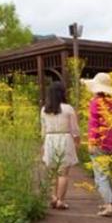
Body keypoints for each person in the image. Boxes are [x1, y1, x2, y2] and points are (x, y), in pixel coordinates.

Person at [82, 73, 112, 217]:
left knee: (101, 175)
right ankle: (108, 201)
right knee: (108, 174)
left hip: (100, 143)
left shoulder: (95, 102)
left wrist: (91, 142)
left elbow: (93, 125)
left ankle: (109, 205)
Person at [41, 81, 80, 210]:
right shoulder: (68, 108)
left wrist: (43, 144)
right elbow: (75, 129)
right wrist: (77, 142)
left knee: (52, 171)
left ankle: (53, 197)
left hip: (50, 139)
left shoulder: (44, 109)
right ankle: (60, 201)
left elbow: (43, 129)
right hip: (64, 138)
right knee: (63, 173)